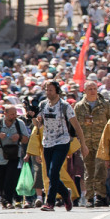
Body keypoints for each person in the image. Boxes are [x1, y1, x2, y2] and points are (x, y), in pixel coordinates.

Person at [35, 80, 88, 212]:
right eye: (46, 90)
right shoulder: (43, 105)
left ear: (57, 91)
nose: (48, 92)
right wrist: (32, 117)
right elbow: (38, 126)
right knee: (49, 173)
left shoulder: (65, 106)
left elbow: (77, 126)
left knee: (54, 171)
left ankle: (50, 202)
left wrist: (83, 145)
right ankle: (65, 193)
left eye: (51, 90)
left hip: (62, 142)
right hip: (47, 142)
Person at [75, 80, 110, 207]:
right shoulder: (79, 107)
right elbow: (76, 126)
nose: (92, 91)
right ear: (85, 91)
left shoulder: (105, 105)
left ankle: (100, 196)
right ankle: (89, 197)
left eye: (94, 88)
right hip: (86, 143)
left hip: (101, 143)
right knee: (88, 170)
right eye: (90, 89)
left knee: (101, 170)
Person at [0, 104, 30, 209]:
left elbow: (26, 139)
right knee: (1, 179)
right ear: (5, 114)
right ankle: (5, 200)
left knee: (11, 177)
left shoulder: (19, 123)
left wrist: (19, 137)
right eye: (11, 114)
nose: (14, 116)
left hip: (14, 154)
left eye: (15, 114)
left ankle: (8, 200)